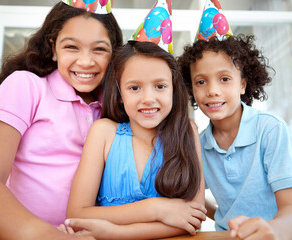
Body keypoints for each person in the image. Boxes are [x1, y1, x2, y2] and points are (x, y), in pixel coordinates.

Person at [0, 1, 122, 239]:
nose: (86, 61)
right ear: (53, 48)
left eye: (99, 49)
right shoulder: (26, 86)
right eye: (72, 47)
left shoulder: (116, 106)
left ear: (114, 52)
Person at [63, 40, 206, 239]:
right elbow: (76, 214)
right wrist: (155, 208)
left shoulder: (186, 131)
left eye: (160, 86)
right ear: (120, 93)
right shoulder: (104, 133)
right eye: (134, 88)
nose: (148, 98)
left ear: (173, 89)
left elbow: (194, 217)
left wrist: (117, 232)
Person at [177, 35, 292, 240]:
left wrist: (274, 231)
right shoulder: (199, 143)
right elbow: (192, 197)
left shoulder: (270, 130)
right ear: (191, 88)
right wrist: (223, 216)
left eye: (224, 79)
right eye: (201, 82)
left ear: (243, 84)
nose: (212, 91)